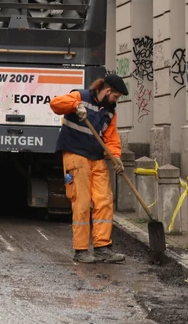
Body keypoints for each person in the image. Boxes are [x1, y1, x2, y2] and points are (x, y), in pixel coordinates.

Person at [50, 73, 129, 264]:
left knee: (104, 200)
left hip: (96, 157)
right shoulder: (80, 96)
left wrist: (116, 157)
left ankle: (103, 247)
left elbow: (111, 137)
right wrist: (75, 107)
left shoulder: (110, 111)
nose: (115, 100)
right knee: (82, 202)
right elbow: (55, 104)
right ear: (108, 90)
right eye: (115, 96)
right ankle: (81, 250)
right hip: (76, 156)